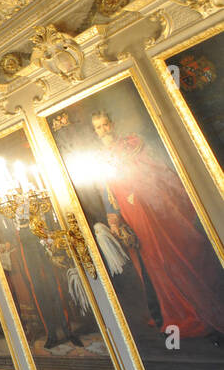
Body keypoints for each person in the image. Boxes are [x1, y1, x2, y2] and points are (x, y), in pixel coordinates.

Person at [91, 110, 224, 339]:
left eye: (105, 125)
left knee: (168, 254)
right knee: (149, 260)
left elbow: (152, 172)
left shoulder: (131, 143)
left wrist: (137, 191)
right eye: (98, 128)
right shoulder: (98, 157)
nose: (103, 130)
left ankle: (192, 308)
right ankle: (167, 310)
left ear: (112, 124)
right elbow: (106, 190)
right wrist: (114, 218)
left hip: (147, 206)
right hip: (128, 211)